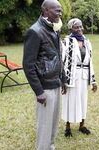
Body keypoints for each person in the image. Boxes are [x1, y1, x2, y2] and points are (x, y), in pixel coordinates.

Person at [22, 0, 67, 150]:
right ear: (46, 11)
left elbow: (58, 56)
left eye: (60, 11)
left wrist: (63, 79)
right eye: (57, 11)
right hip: (44, 88)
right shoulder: (35, 31)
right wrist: (38, 91)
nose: (60, 14)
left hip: (56, 83)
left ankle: (50, 147)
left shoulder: (54, 28)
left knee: (53, 123)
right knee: (45, 125)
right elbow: (28, 65)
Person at [61, 18, 98, 137]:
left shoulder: (87, 42)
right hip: (71, 76)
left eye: (81, 26)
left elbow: (90, 61)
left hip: (84, 75)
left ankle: (82, 125)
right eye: (76, 27)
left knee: (83, 100)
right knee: (70, 100)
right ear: (70, 28)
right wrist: (63, 81)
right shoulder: (66, 41)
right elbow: (62, 61)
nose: (80, 29)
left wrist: (93, 80)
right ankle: (68, 127)